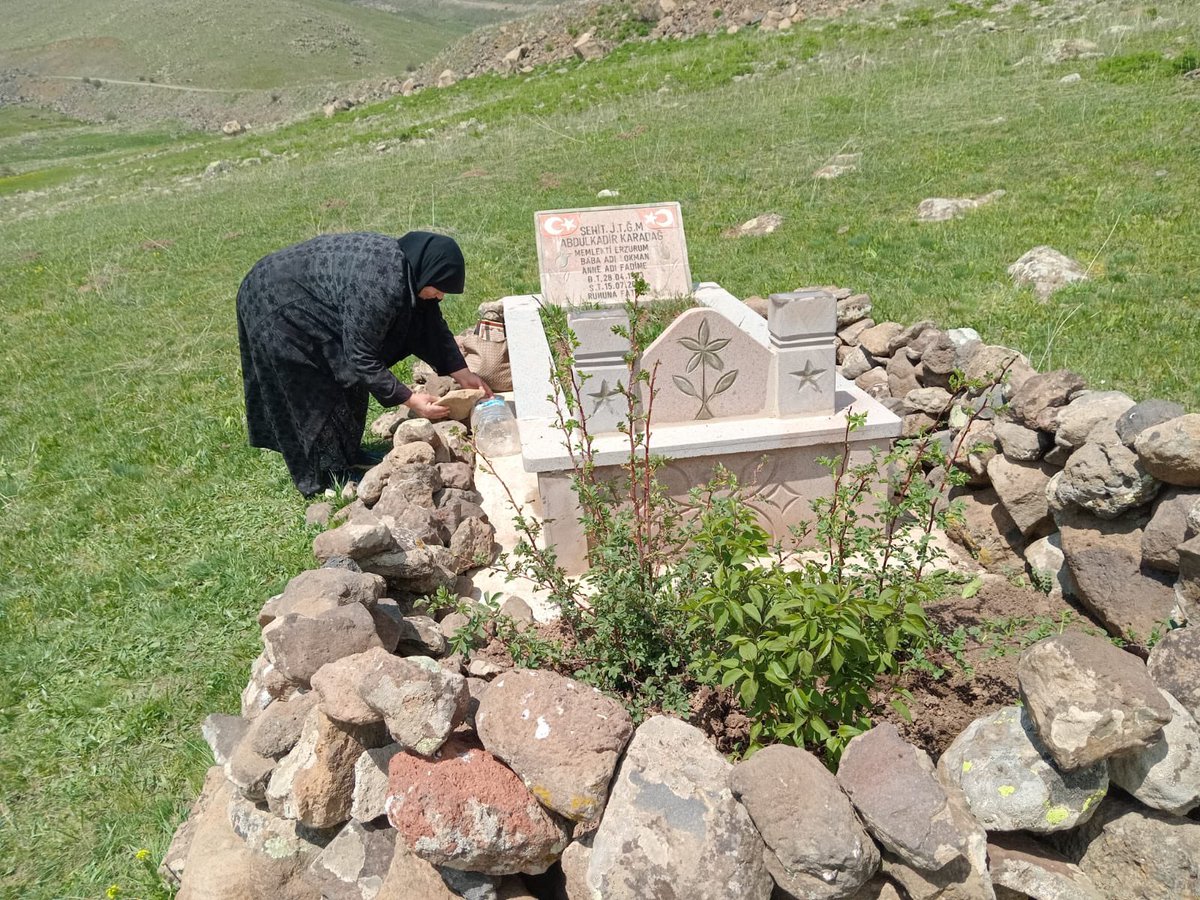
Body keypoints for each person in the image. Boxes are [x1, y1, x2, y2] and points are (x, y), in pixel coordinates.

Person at [236, 231, 492, 496]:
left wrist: (461, 372)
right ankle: (325, 477)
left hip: (302, 294)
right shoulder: (382, 282)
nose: (440, 296)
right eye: (439, 289)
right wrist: (409, 399)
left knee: (348, 377)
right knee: (311, 388)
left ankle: (347, 455)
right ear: (427, 272)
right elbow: (361, 357)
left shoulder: (408, 270)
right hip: (275, 301)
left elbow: (429, 324)